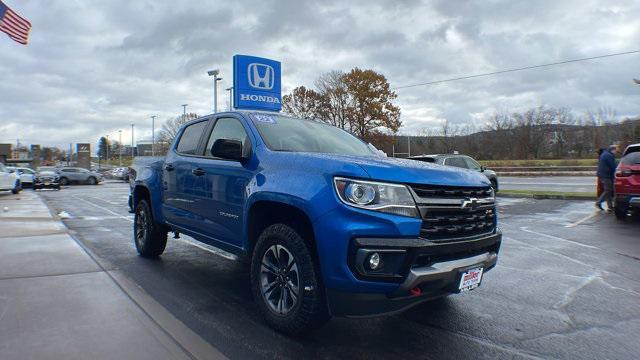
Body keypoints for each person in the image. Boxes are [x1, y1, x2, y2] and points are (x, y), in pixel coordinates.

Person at [595, 145, 619, 211]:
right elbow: (613, 166)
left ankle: (610, 206)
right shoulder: (609, 155)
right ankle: (598, 202)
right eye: (616, 151)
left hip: (604, 175)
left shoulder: (606, 154)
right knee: (608, 190)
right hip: (606, 175)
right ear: (613, 150)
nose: (616, 153)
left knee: (608, 190)